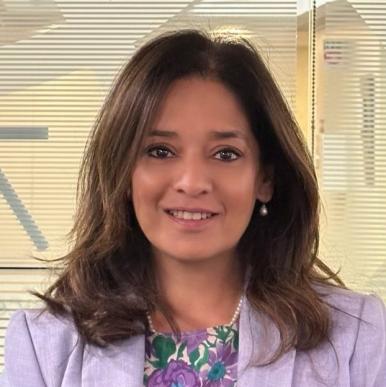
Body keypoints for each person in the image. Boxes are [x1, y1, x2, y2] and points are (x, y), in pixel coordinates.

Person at [1, 29, 385, 387]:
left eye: (226, 153)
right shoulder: (46, 344)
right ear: (123, 174)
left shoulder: (356, 336)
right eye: (160, 151)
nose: (192, 181)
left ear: (265, 179)